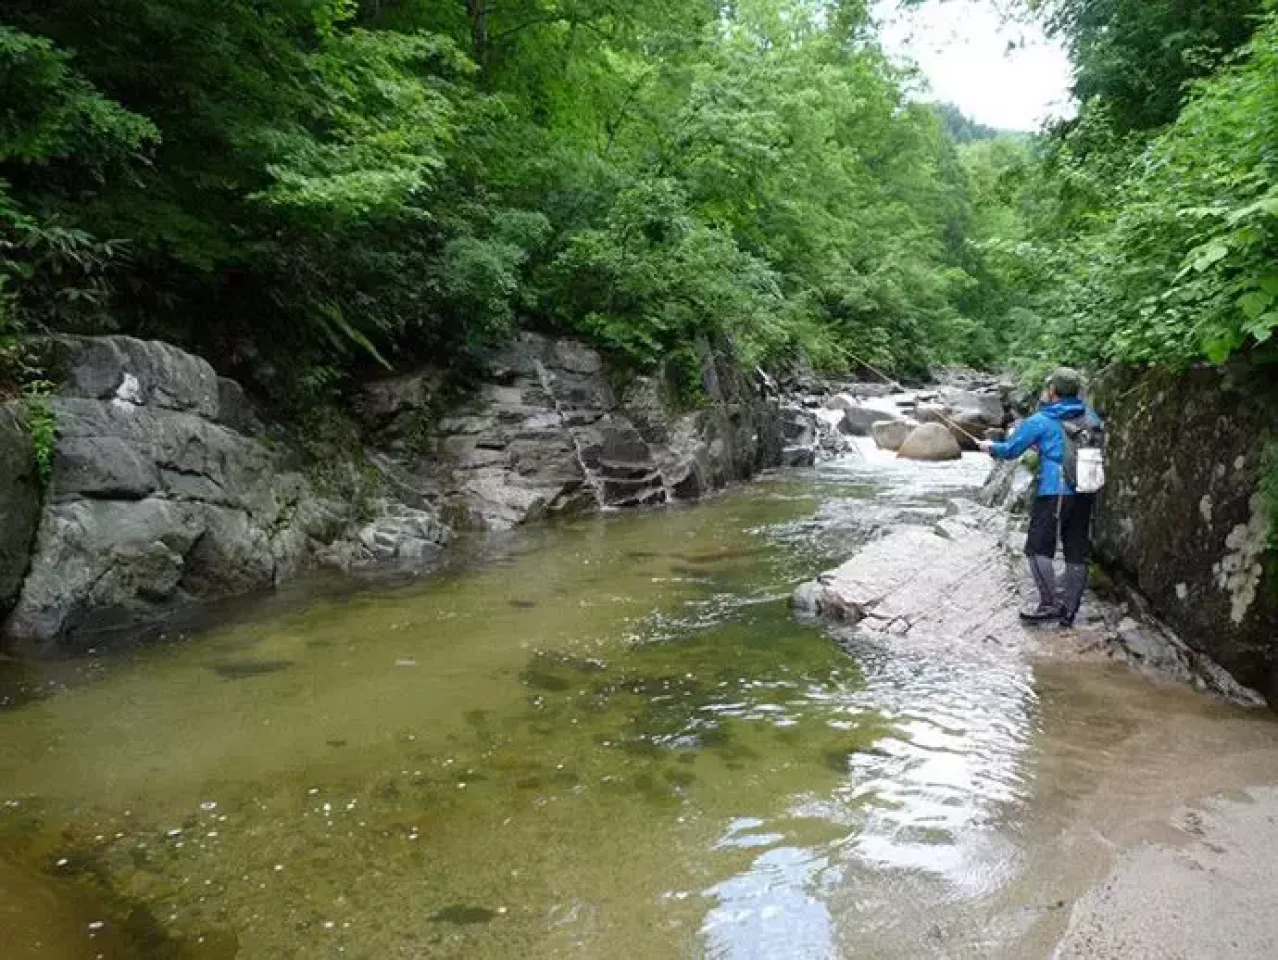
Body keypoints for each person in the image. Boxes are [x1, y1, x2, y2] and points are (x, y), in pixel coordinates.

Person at [977, 368, 1103, 628]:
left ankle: (1048, 605)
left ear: (1052, 391)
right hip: (1085, 489)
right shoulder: (1090, 416)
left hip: (1054, 491)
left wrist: (990, 448)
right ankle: (1069, 611)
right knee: (1076, 550)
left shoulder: (1041, 420)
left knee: (1037, 549)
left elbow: (1011, 451)